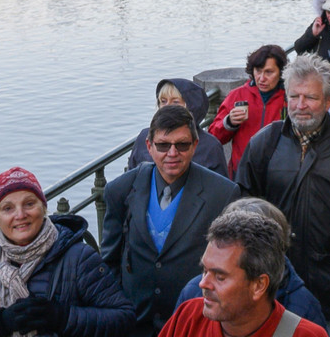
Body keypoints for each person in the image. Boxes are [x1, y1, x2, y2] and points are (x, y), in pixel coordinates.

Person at [236, 53, 330, 331]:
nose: (301, 106)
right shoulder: (264, 143)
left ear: (328, 100)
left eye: (310, 98)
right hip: (274, 282)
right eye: (294, 97)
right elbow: (242, 205)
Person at [0, 167, 136, 337]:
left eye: (29, 204)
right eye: (8, 208)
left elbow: (123, 318)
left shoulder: (78, 258)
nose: (20, 215)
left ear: (43, 208)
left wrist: (61, 317)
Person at [101, 106, 240, 337]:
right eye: (163, 145)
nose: (172, 153)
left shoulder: (223, 194)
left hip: (195, 324)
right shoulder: (120, 190)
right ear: (149, 147)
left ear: (195, 146)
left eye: (182, 145)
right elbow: (110, 260)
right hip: (134, 324)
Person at [160, 210, 328, 337]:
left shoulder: (306, 335)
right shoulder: (188, 316)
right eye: (204, 270)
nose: (203, 283)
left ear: (259, 285)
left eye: (220, 277)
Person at [208, 45, 288, 177]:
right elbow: (213, 138)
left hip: (278, 173)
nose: (262, 78)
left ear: (281, 72)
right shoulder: (237, 95)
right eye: (258, 71)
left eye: (269, 72)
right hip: (242, 172)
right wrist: (228, 122)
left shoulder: (289, 97)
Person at [127, 79, 227, 176]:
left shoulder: (210, 146)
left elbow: (221, 188)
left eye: (175, 102)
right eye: (163, 101)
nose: (167, 107)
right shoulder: (144, 137)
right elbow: (130, 178)